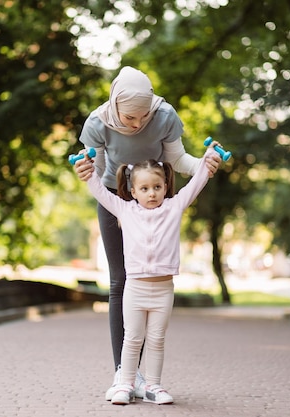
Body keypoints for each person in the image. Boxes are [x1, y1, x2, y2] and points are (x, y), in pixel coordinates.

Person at [74, 66, 221, 401]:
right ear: (114, 104)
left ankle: (147, 378)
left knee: (152, 278)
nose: (137, 124)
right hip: (116, 198)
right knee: (119, 281)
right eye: (130, 117)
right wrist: (85, 170)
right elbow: (95, 175)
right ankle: (123, 375)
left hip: (154, 194)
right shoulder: (97, 123)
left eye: (143, 116)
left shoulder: (165, 115)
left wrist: (205, 164)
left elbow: (180, 160)